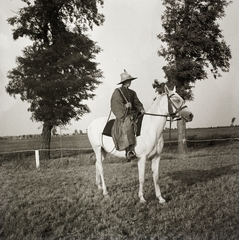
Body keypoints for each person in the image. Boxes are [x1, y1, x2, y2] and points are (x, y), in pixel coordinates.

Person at [110, 70, 145, 161]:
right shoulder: (117, 91)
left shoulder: (133, 92)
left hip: (134, 114)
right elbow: (115, 104)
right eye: (127, 81)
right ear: (123, 82)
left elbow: (137, 102)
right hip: (124, 116)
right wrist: (125, 106)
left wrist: (141, 108)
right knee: (128, 125)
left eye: (130, 80)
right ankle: (129, 151)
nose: (129, 82)